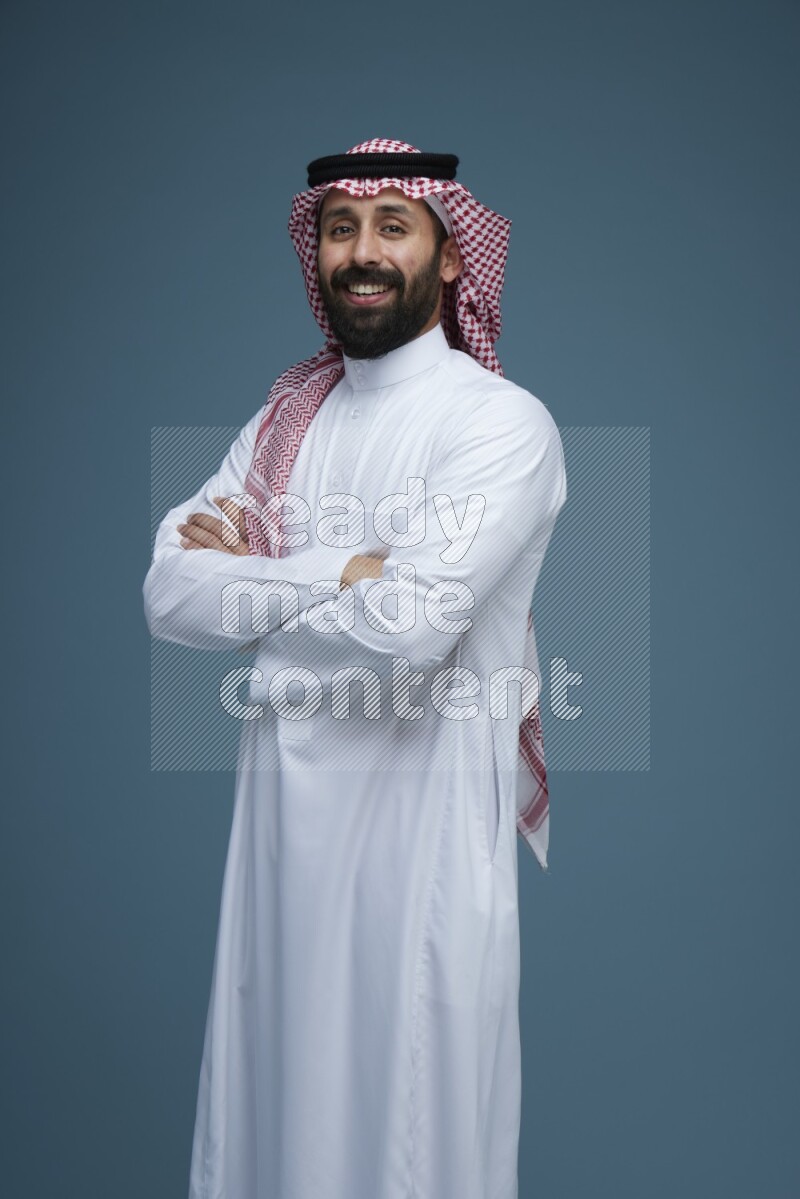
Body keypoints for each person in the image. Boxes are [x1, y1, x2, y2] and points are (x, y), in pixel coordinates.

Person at [143, 138, 567, 1199]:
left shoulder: (499, 423)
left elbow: (408, 628)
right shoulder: (285, 419)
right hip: (277, 856)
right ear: (316, 251)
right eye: (340, 229)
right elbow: (170, 593)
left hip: (420, 860)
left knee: (409, 1142)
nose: (361, 253)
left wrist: (258, 591)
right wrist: (341, 569)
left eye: (392, 226)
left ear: (451, 256)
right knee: (266, 1125)